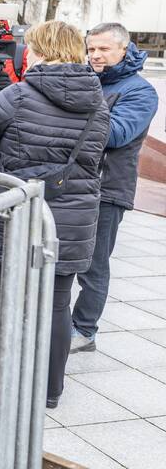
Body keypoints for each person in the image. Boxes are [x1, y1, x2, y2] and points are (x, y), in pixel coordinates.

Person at [0, 20, 109, 409]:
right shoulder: (97, 102)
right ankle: (49, 390)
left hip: (13, 213)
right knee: (57, 302)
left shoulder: (17, 95)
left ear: (41, 50)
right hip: (70, 218)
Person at [71, 23, 159, 352]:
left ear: (124, 49)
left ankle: (84, 329)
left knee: (94, 264)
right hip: (74, 184)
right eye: (91, 49)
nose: (94, 55)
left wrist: (72, 109)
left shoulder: (140, 91)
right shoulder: (88, 80)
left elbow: (116, 134)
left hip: (108, 189)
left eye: (103, 49)